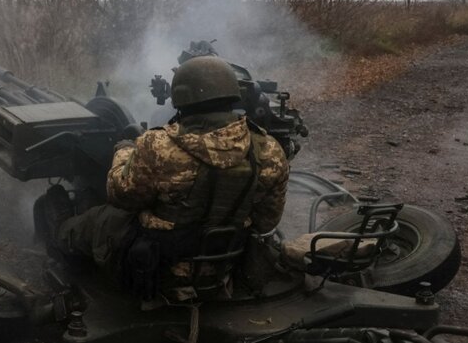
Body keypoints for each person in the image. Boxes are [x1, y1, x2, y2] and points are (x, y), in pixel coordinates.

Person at [37, 56, 289, 304]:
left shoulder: (157, 146)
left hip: (156, 270)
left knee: (96, 219)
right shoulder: (269, 150)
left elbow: (121, 195)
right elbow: (267, 220)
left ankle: (61, 236)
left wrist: (125, 150)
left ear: (181, 99)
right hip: (223, 269)